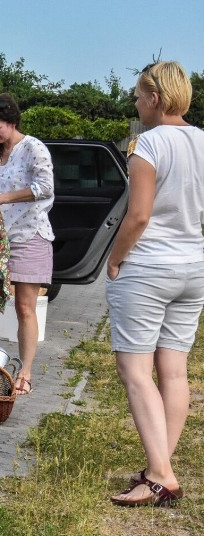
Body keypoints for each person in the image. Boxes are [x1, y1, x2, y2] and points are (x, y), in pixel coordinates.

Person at [106, 61, 203, 508]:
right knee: (175, 371)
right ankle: (160, 467)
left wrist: (114, 257)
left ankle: (160, 475)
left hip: (148, 269)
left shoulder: (147, 143)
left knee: (136, 373)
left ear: (156, 99)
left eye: (139, 96)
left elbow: (138, 215)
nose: (136, 102)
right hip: (193, 267)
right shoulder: (203, 141)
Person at [0, 93, 55, 396]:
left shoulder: (33, 148)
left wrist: (4, 198)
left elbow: (45, 188)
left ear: (12, 122)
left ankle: (25, 373)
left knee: (24, 307)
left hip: (29, 235)